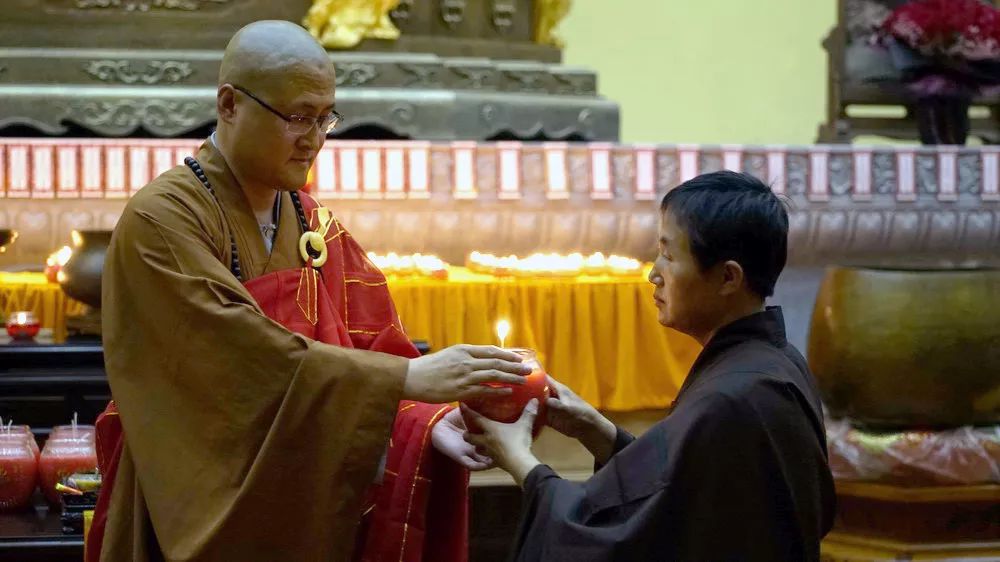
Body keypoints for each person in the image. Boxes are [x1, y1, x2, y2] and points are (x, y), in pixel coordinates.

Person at [88, 20, 528, 562]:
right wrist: (408, 377)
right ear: (229, 105)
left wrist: (424, 422)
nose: (315, 138)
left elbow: (374, 345)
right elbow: (234, 355)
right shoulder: (162, 221)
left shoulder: (314, 223)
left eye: (326, 118)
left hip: (311, 501)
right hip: (202, 505)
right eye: (298, 117)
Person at [464, 171, 836, 561]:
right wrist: (597, 431)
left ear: (728, 277)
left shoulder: (734, 396)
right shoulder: (770, 361)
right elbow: (686, 493)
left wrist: (521, 462)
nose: (653, 273)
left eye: (670, 256)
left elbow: (622, 540)